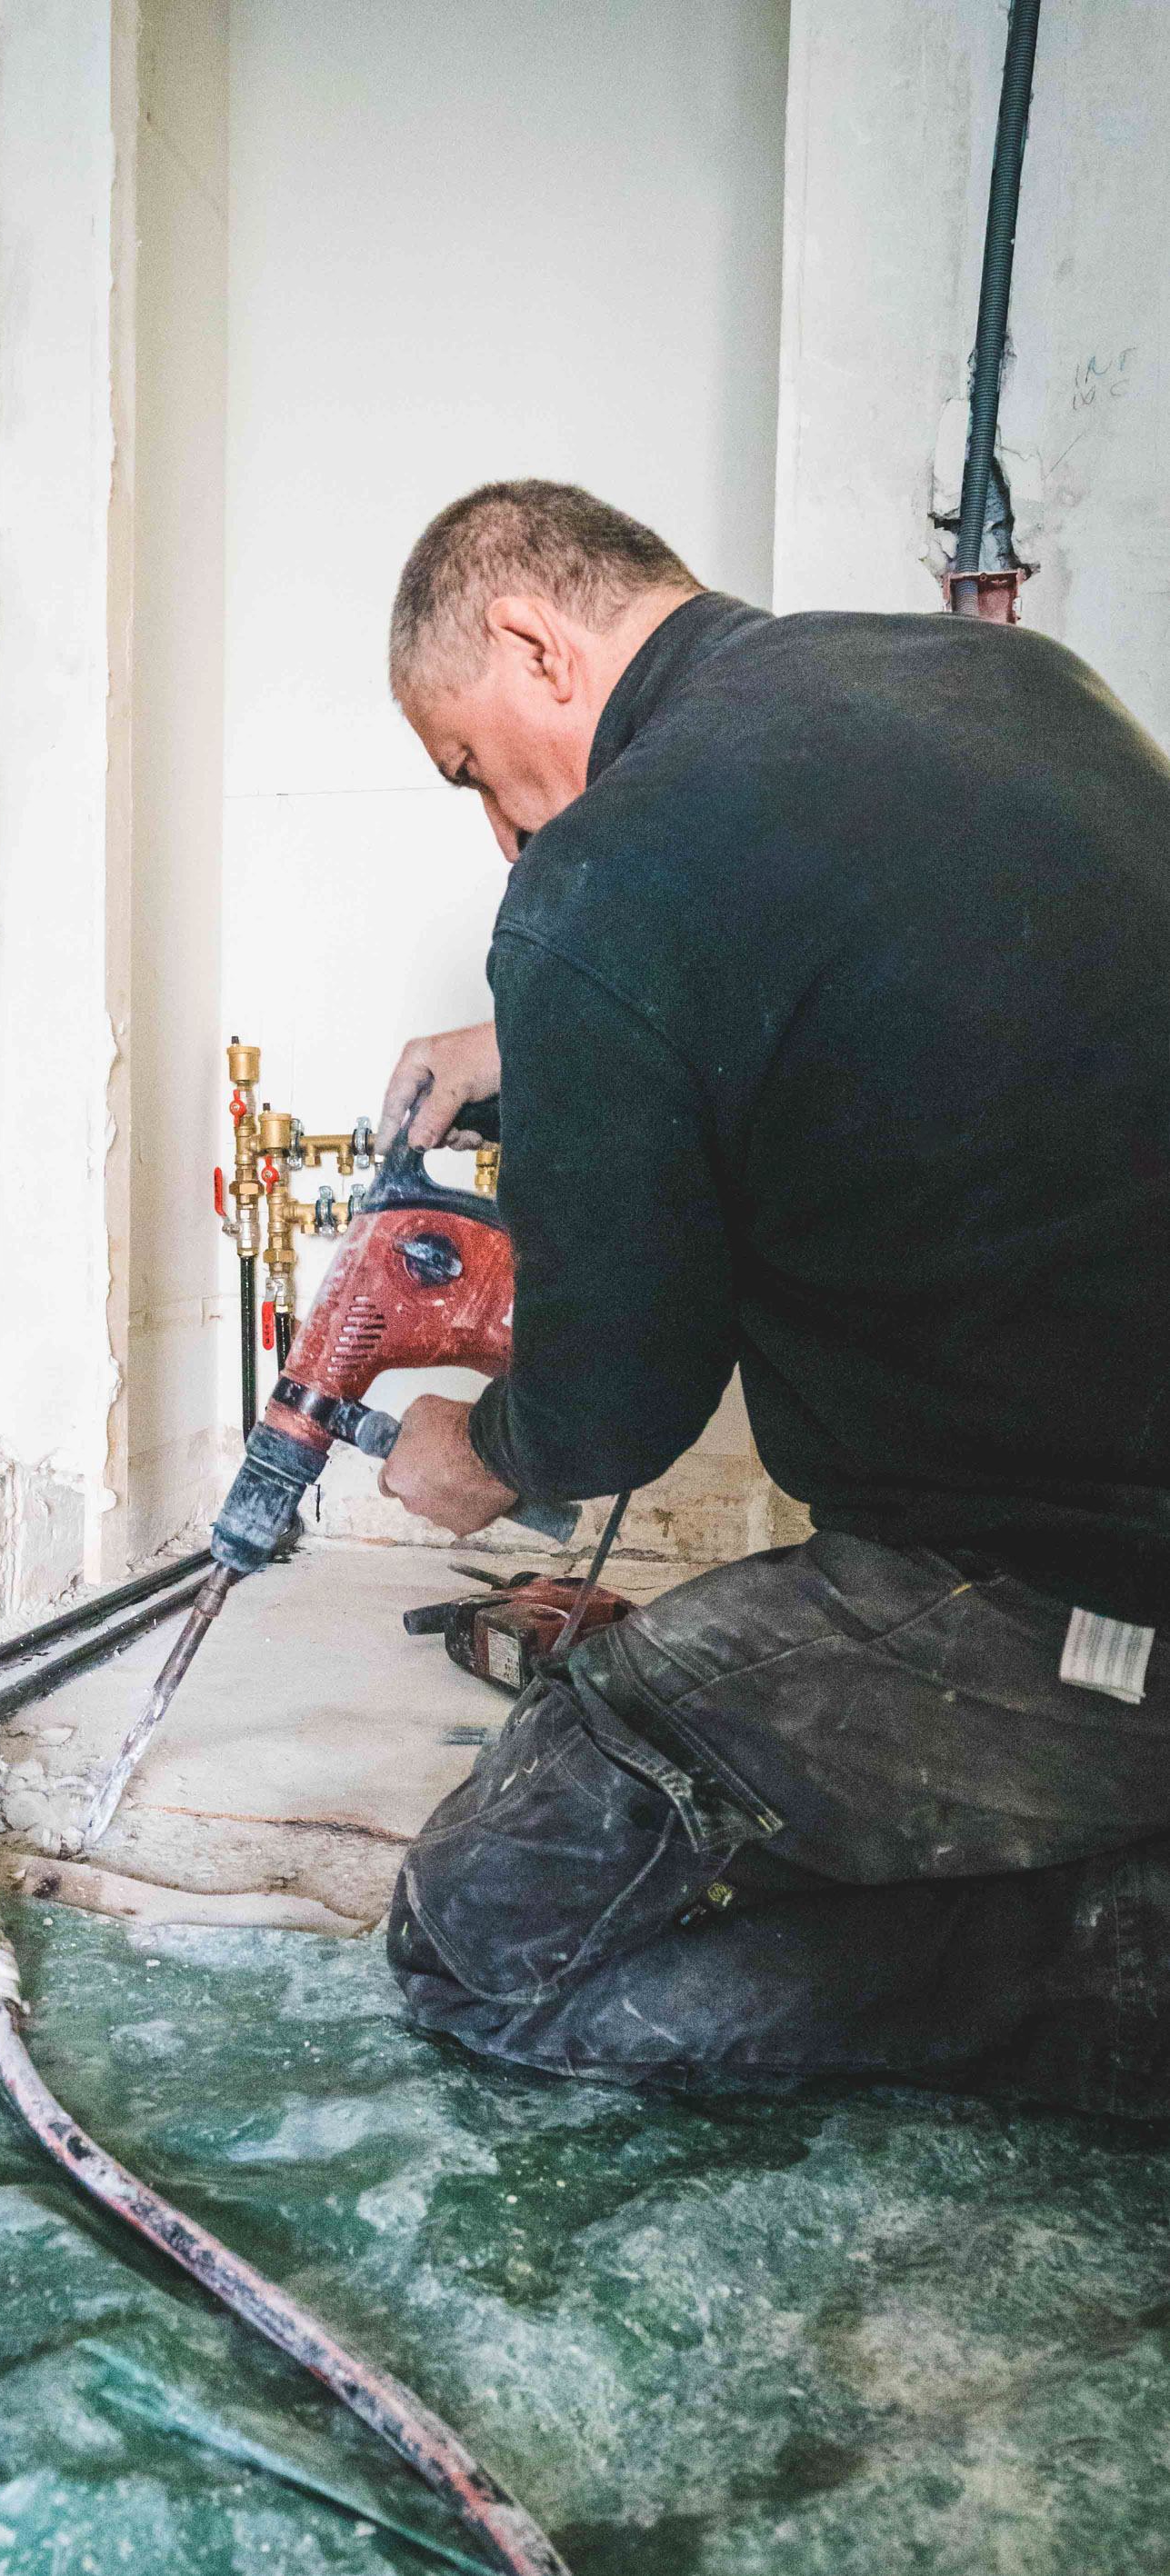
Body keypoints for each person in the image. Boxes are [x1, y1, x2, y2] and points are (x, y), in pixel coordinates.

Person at [372, 479, 1170, 2117]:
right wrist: (550, 1032)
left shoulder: (602, 874)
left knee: (477, 1938)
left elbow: (615, 1405)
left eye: (469, 767)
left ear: (532, 644)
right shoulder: (1006, 682)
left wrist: (479, 1451)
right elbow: (906, 971)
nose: (501, 827)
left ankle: (1101, 1973)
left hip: (1063, 1604)